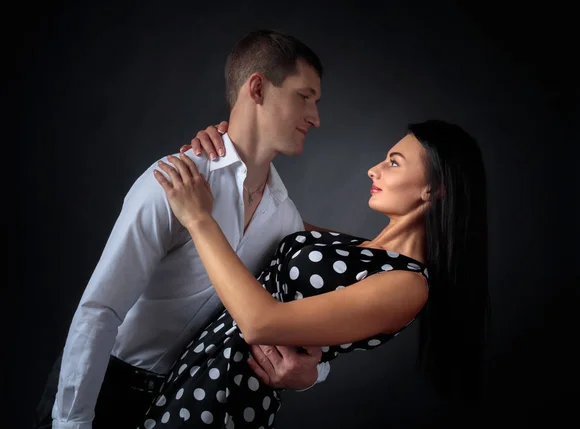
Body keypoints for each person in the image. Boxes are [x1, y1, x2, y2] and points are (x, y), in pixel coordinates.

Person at [34, 29, 333, 429]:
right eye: (304, 97)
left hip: (184, 402)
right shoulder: (177, 181)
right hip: (98, 385)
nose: (315, 118)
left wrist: (315, 374)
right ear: (258, 88)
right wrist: (72, 423)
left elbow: (306, 317)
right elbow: (99, 311)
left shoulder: (284, 219)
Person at [135, 118, 490, 428]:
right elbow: (256, 211)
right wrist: (225, 151)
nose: (374, 169)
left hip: (226, 394)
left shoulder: (408, 286)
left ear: (434, 188)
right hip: (194, 367)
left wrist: (198, 218)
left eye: (393, 163)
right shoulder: (355, 249)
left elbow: (260, 322)